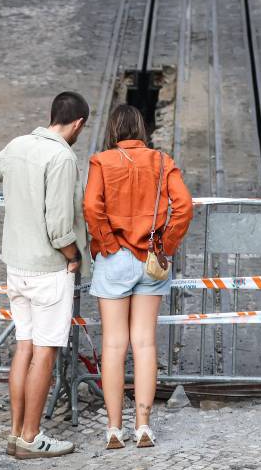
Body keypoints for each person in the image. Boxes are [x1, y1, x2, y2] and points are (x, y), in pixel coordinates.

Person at [0, 91, 90, 460]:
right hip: (48, 269)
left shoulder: (18, 144)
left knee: (23, 347)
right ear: (77, 123)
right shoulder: (62, 157)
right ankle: (32, 436)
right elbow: (59, 224)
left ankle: (15, 433)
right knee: (44, 352)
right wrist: (73, 255)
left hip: (16, 265)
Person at [82, 104, 192, 450]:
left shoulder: (102, 162)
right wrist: (166, 242)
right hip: (150, 259)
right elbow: (185, 205)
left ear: (113, 129)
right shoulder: (161, 161)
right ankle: (143, 426)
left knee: (114, 345)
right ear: (141, 130)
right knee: (144, 343)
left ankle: (114, 428)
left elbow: (90, 206)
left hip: (114, 259)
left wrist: (107, 242)